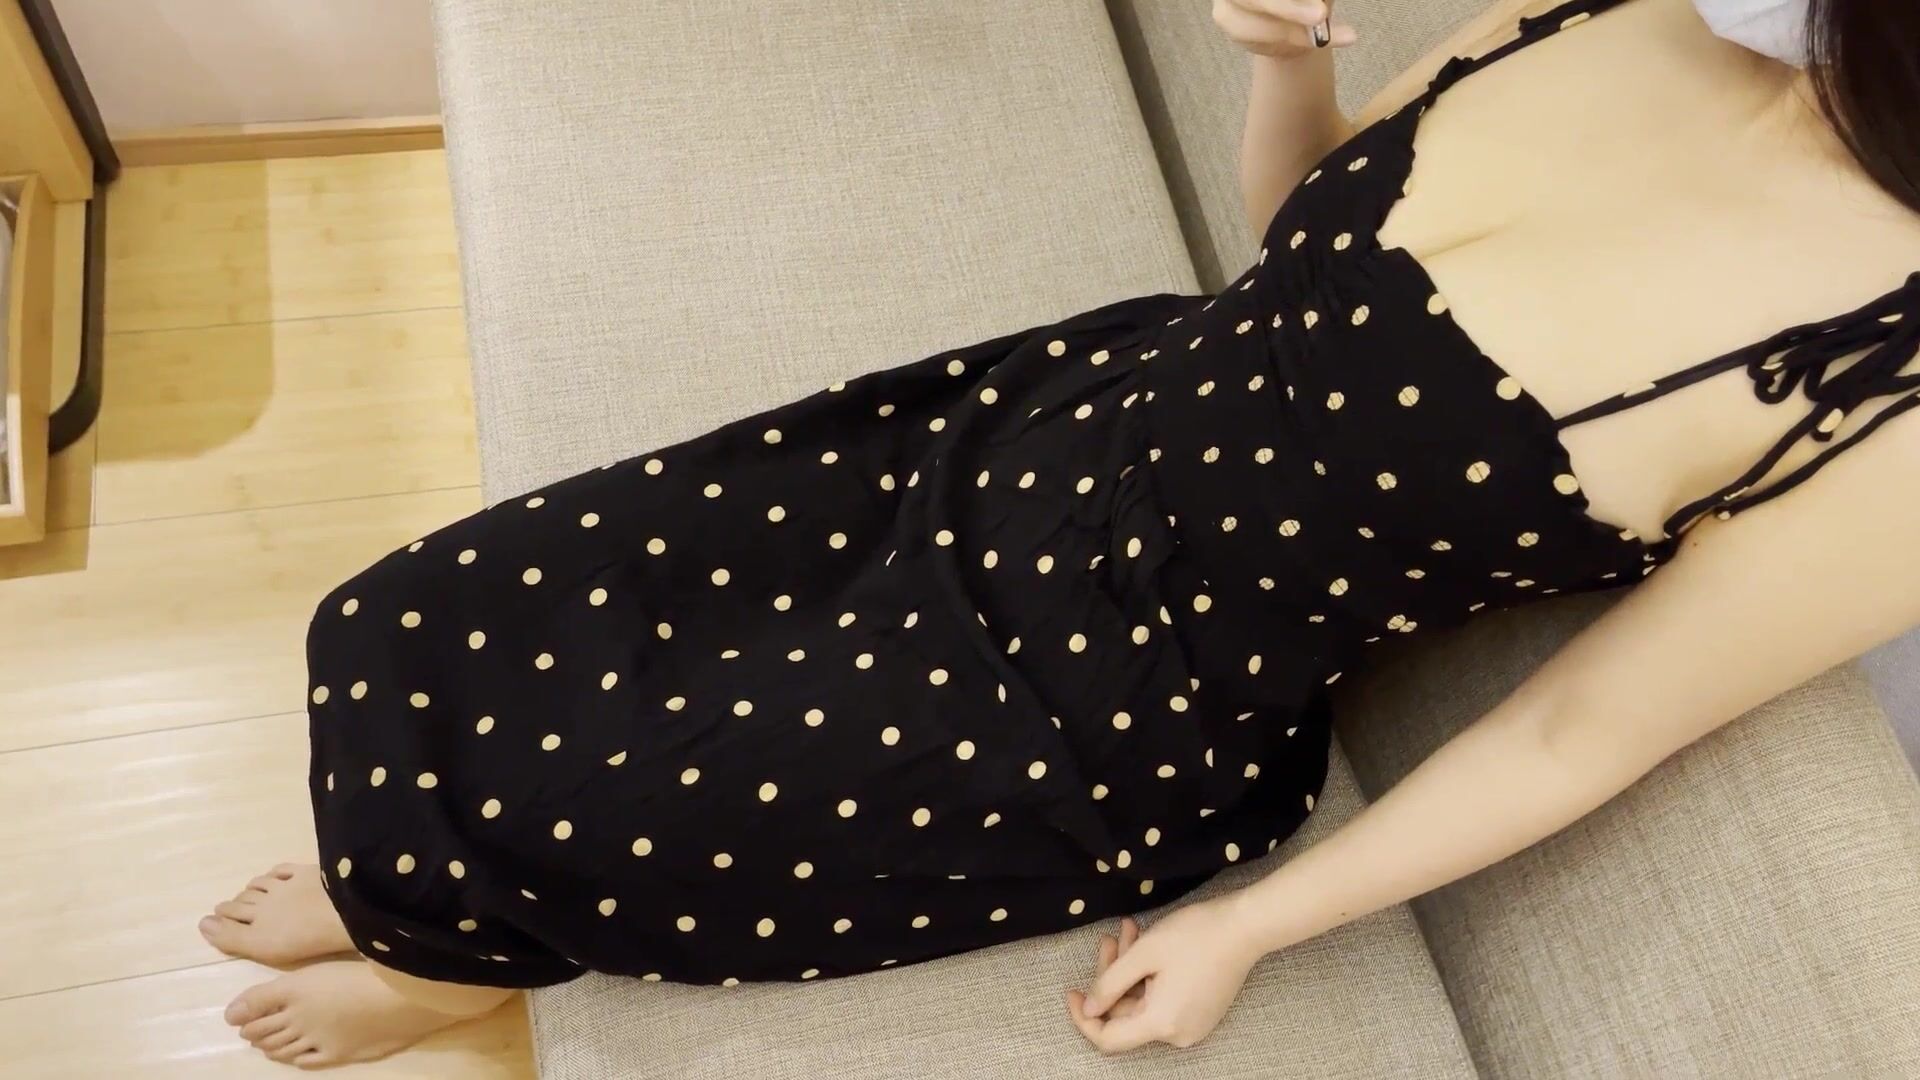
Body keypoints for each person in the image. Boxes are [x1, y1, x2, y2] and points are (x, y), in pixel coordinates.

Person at [197, 0, 1920, 1066]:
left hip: (1111, 697)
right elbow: (1302, 249)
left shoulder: (1891, 401)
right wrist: (1283, 68)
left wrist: (1253, 925)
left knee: (582, 797)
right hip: (1048, 420)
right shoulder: (1658, 11)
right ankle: (428, 900)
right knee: (410, 613)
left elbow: (1584, 728)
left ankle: (446, 965)